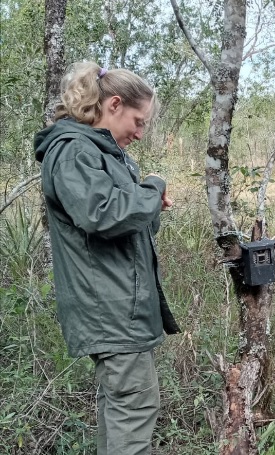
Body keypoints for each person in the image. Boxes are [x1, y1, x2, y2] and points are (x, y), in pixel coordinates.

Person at [34, 61, 181, 455]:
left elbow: (129, 230)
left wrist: (147, 205)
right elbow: (102, 214)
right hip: (112, 311)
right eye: (139, 120)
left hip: (122, 309)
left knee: (120, 413)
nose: (140, 131)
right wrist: (152, 188)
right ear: (114, 104)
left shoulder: (103, 155)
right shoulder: (73, 152)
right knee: (134, 415)